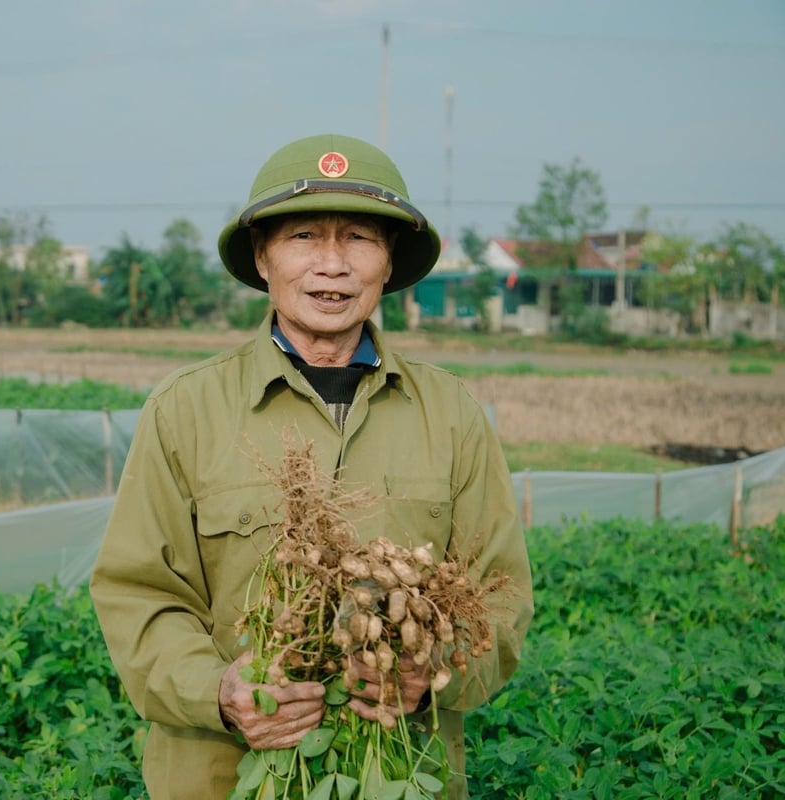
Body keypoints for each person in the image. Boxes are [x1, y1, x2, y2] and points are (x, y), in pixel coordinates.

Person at [89, 133, 533, 800]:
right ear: (262, 256)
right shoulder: (184, 409)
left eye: (359, 237)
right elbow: (139, 593)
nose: (333, 264)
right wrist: (218, 690)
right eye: (303, 236)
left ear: (389, 260)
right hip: (223, 779)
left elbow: (499, 593)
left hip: (401, 771)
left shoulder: (451, 415)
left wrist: (431, 670)